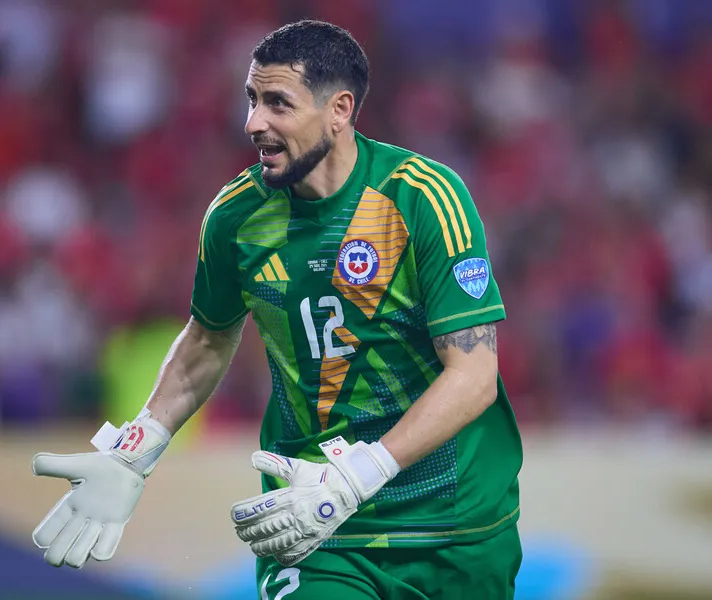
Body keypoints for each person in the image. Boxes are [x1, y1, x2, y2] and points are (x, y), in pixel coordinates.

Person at [31, 20, 523, 599]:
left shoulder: (423, 198)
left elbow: (473, 378)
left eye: (277, 103)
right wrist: (135, 450)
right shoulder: (236, 217)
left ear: (339, 110)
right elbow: (207, 339)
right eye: (251, 100)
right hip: (313, 521)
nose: (253, 123)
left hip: (454, 525)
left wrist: (355, 477)